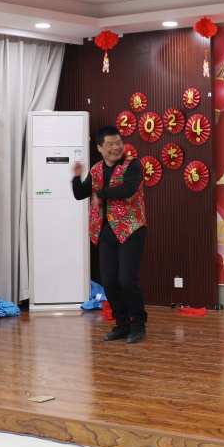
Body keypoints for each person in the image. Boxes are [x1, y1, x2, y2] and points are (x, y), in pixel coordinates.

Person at [72, 128, 147, 344]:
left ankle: (138, 324)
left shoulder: (132, 165)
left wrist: (101, 193)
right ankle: (122, 324)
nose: (116, 147)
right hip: (105, 231)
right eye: (110, 144)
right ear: (99, 148)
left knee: (127, 279)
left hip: (131, 229)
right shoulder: (96, 169)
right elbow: (80, 194)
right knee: (109, 281)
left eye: (119, 142)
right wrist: (76, 176)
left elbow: (128, 189)